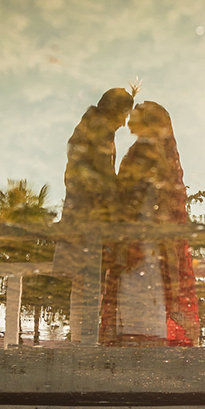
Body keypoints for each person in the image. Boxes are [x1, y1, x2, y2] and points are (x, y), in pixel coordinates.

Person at [98, 101, 200, 346]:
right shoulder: (158, 151)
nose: (131, 115)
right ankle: (148, 346)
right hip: (153, 243)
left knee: (136, 293)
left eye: (139, 112)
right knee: (151, 294)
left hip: (138, 239)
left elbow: (133, 198)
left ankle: (136, 348)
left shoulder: (143, 150)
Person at [54, 87, 134, 342]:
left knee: (83, 282)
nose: (124, 122)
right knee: (90, 279)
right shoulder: (100, 128)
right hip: (90, 216)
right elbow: (103, 176)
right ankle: (84, 343)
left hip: (80, 213)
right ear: (115, 109)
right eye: (124, 114)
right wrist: (117, 211)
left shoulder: (89, 125)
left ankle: (80, 340)